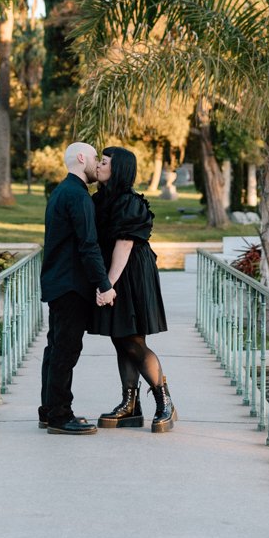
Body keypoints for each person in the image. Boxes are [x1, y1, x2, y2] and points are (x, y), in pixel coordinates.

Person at [89, 146, 176, 432]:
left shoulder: (129, 202)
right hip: (113, 271)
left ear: (118, 169)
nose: (98, 166)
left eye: (103, 163)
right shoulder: (101, 199)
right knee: (120, 337)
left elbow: (124, 245)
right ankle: (130, 405)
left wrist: (108, 284)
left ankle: (165, 402)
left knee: (133, 340)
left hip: (130, 273)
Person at [38, 141, 116, 435]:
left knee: (55, 348)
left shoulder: (61, 192)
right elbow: (88, 246)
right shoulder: (78, 196)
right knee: (65, 351)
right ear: (81, 158)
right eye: (95, 158)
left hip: (58, 282)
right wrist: (104, 285)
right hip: (71, 285)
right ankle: (60, 415)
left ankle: (48, 410)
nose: (97, 164)